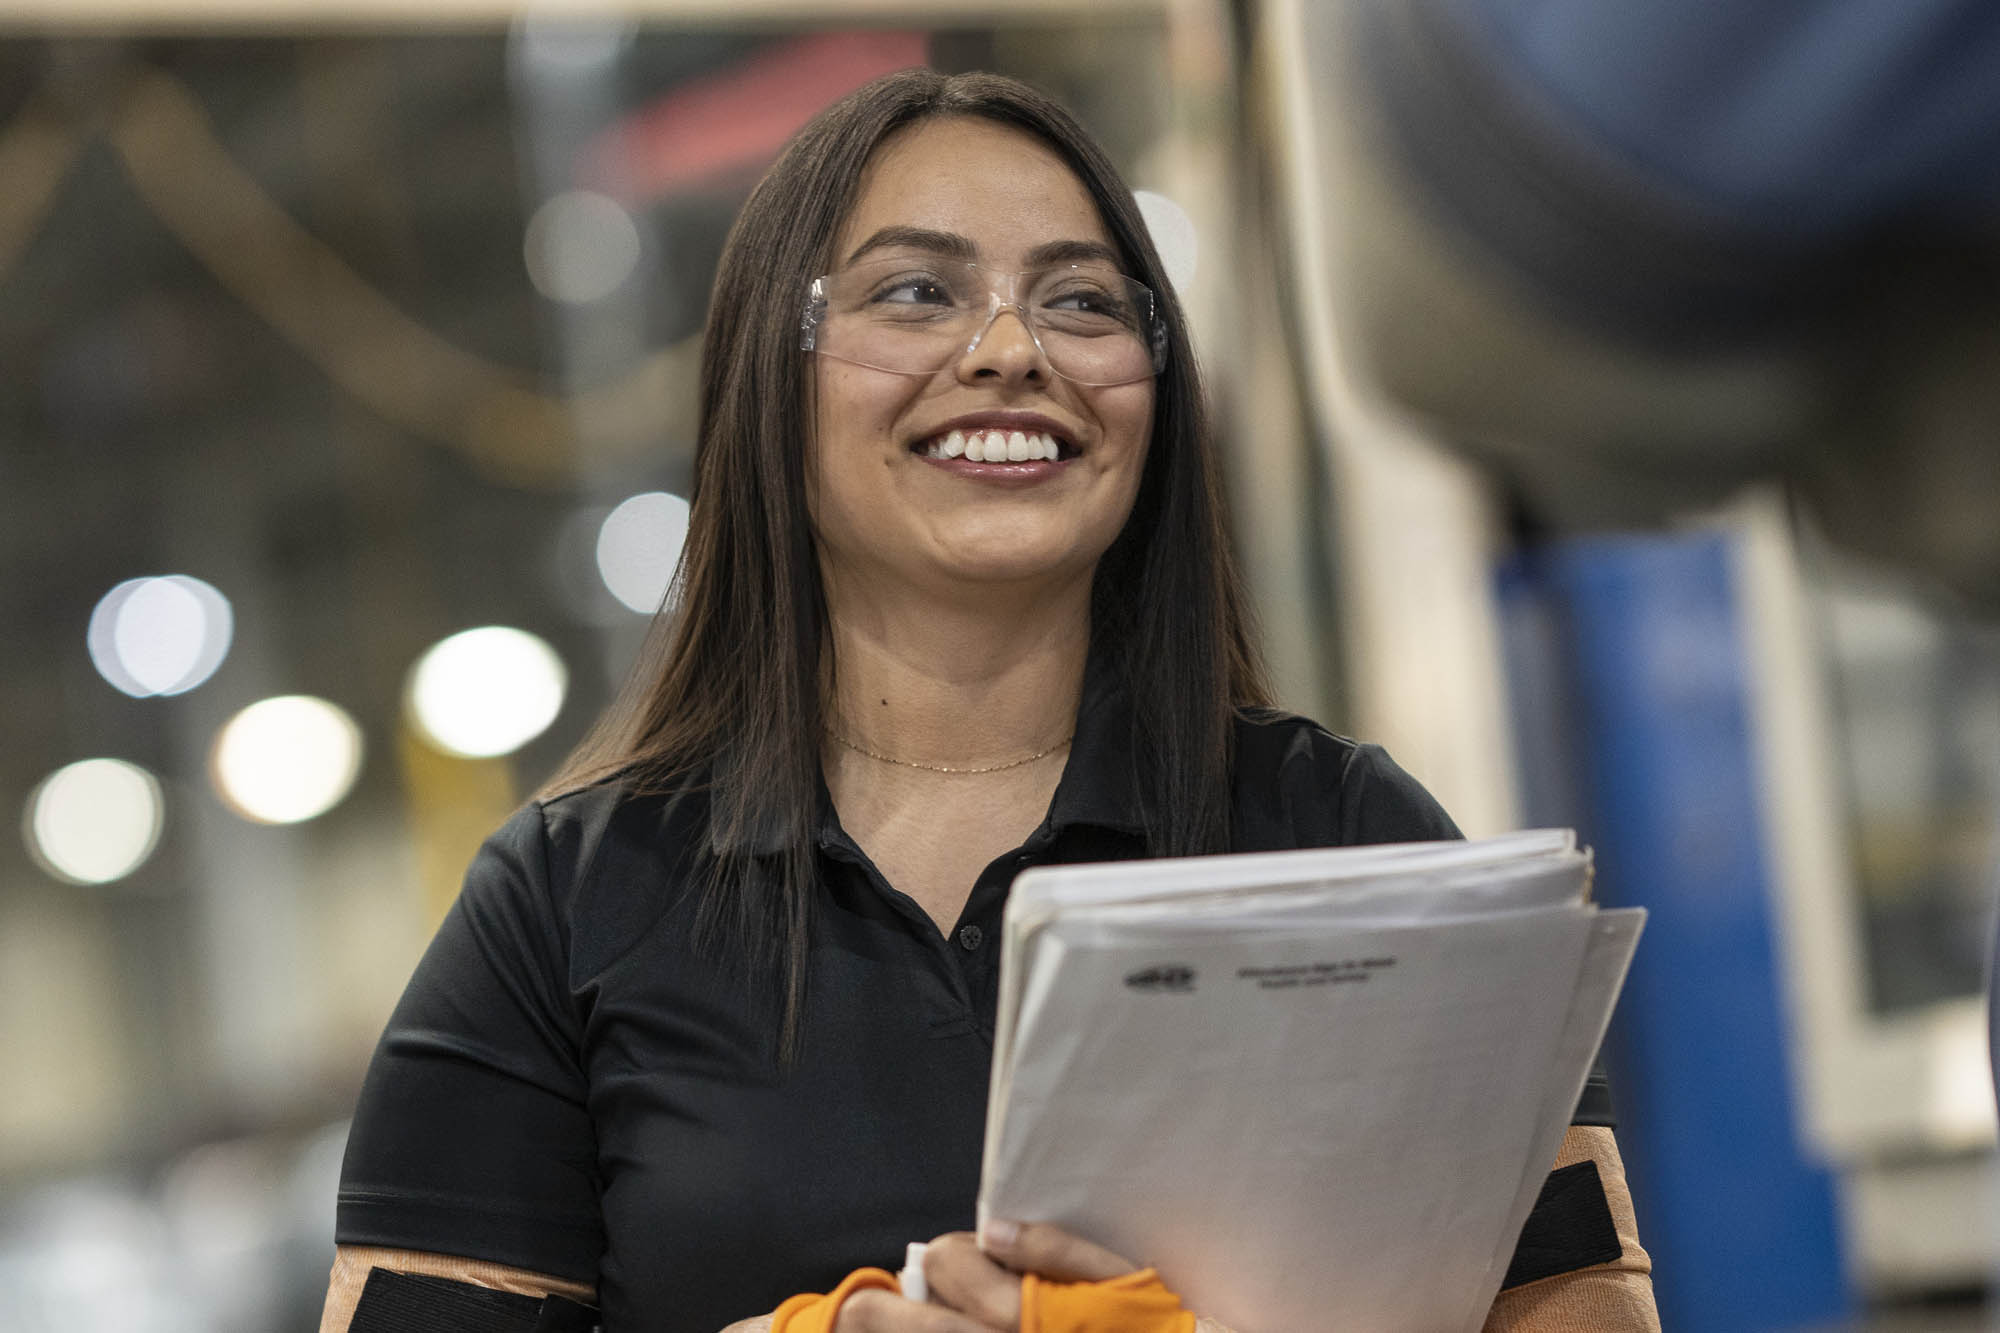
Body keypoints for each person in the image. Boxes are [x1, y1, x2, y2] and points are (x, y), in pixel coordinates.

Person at [320, 69, 1658, 1333]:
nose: (1012, 350)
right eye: (915, 292)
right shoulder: (565, 908)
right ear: (766, 380)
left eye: (1082, 303)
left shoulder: (1350, 840)